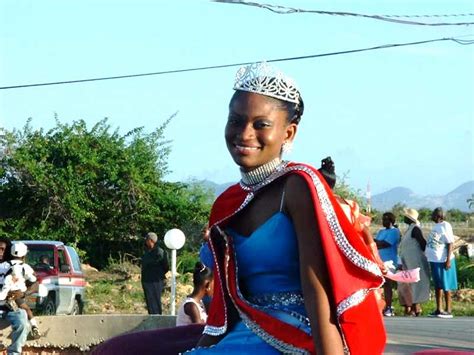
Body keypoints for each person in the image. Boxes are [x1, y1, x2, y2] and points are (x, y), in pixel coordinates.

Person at [92, 62, 386, 355]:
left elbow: (317, 292)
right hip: (241, 336)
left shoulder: (298, 186)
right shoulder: (226, 203)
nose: (245, 133)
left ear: (289, 134)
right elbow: (225, 306)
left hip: (295, 338)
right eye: (236, 121)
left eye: (261, 124)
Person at [0, 242, 41, 339]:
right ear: (24, 255)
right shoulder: (25, 267)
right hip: (17, 297)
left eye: (2, 249)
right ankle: (34, 327)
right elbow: (33, 280)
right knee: (27, 310)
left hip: (5, 295)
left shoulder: (3, 266)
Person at [0, 237, 32, 355]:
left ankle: (14, 352)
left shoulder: (16, 267)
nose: (0, 252)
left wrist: (23, 293)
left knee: (23, 321)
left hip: (11, 307)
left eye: (3, 249)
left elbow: (34, 283)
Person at [425, 207, 458, 318]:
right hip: (434, 260)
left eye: (433, 215)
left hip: (442, 260)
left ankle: (448, 309)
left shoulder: (445, 225)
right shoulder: (436, 226)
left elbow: (450, 243)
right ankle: (439, 309)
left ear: (439, 216)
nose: (431, 217)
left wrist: (448, 260)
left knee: (446, 285)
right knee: (437, 286)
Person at [398, 208, 430, 316]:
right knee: (410, 283)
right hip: (409, 261)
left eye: (405, 216)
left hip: (416, 261)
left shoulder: (415, 229)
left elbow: (422, 243)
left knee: (416, 282)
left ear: (409, 218)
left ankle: (416, 307)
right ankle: (413, 306)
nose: (403, 218)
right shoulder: (409, 229)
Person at [375, 212, 401, 317]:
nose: (383, 221)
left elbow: (385, 244)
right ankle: (380, 305)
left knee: (387, 284)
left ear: (391, 221)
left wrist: (377, 243)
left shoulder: (395, 231)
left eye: (386, 219)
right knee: (379, 284)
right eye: (383, 219)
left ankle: (389, 307)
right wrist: (377, 243)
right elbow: (376, 244)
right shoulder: (381, 231)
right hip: (379, 260)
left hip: (389, 261)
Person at [176, 262, 213, 326]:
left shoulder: (200, 303)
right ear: (207, 285)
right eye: (214, 285)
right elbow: (199, 330)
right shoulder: (191, 306)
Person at [141, 232, 169, 315]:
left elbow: (166, 266)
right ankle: (152, 317)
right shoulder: (146, 251)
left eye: (147, 240)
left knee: (156, 301)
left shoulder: (160, 252)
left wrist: (158, 274)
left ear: (151, 240)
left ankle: (157, 318)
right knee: (149, 301)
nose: (146, 242)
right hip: (146, 280)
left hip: (156, 280)